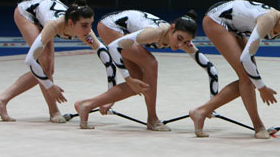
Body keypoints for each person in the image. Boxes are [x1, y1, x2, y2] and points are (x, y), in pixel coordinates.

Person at [189, 0, 280, 139]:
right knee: (248, 77)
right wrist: (262, 88)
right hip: (216, 19)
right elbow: (245, 58)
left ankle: (202, 112)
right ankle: (256, 125)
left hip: (233, 24)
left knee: (249, 78)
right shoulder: (269, 19)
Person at [74, 10, 218, 131]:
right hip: (110, 26)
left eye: (185, 42)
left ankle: (86, 105)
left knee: (138, 82)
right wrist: (127, 79)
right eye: (179, 39)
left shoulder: (183, 41)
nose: (181, 45)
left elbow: (211, 69)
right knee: (150, 63)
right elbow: (113, 47)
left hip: (121, 27)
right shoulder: (154, 33)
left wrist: (212, 104)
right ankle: (152, 119)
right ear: (172, 28)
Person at [0, 0, 117, 123]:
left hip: (44, 10)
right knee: (45, 66)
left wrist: (110, 97)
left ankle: (1, 100)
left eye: (90, 24)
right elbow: (30, 60)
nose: (89, 30)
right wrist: (50, 87)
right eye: (84, 25)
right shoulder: (54, 25)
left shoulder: (85, 32)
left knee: (47, 69)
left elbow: (108, 62)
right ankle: (54, 111)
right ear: (71, 23)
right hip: (27, 13)